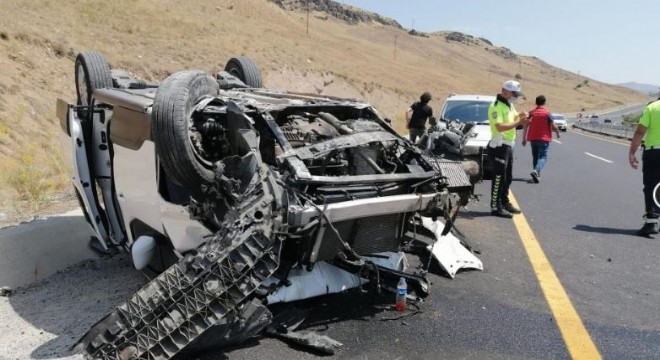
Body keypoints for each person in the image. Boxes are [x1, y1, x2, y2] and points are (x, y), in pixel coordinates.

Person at [488, 80, 530, 218]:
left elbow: (512, 120)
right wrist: (519, 121)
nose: (516, 97)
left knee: (508, 177)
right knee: (499, 177)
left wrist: (521, 116)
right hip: (500, 145)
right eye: (514, 94)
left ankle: (505, 202)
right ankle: (495, 206)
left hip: (509, 145)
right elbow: (500, 126)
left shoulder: (509, 106)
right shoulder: (496, 106)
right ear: (505, 92)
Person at [628, 96, 660, 237]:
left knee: (651, 186)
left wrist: (632, 152)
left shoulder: (652, 107)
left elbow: (640, 131)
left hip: (654, 152)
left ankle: (651, 223)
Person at [522, 95, 560, 183]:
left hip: (533, 138)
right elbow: (554, 126)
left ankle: (536, 175)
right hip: (544, 139)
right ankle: (536, 171)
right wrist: (557, 133)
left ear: (536, 103)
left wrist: (524, 138)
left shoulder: (531, 113)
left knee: (535, 156)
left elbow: (525, 125)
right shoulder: (547, 113)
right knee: (543, 157)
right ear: (544, 103)